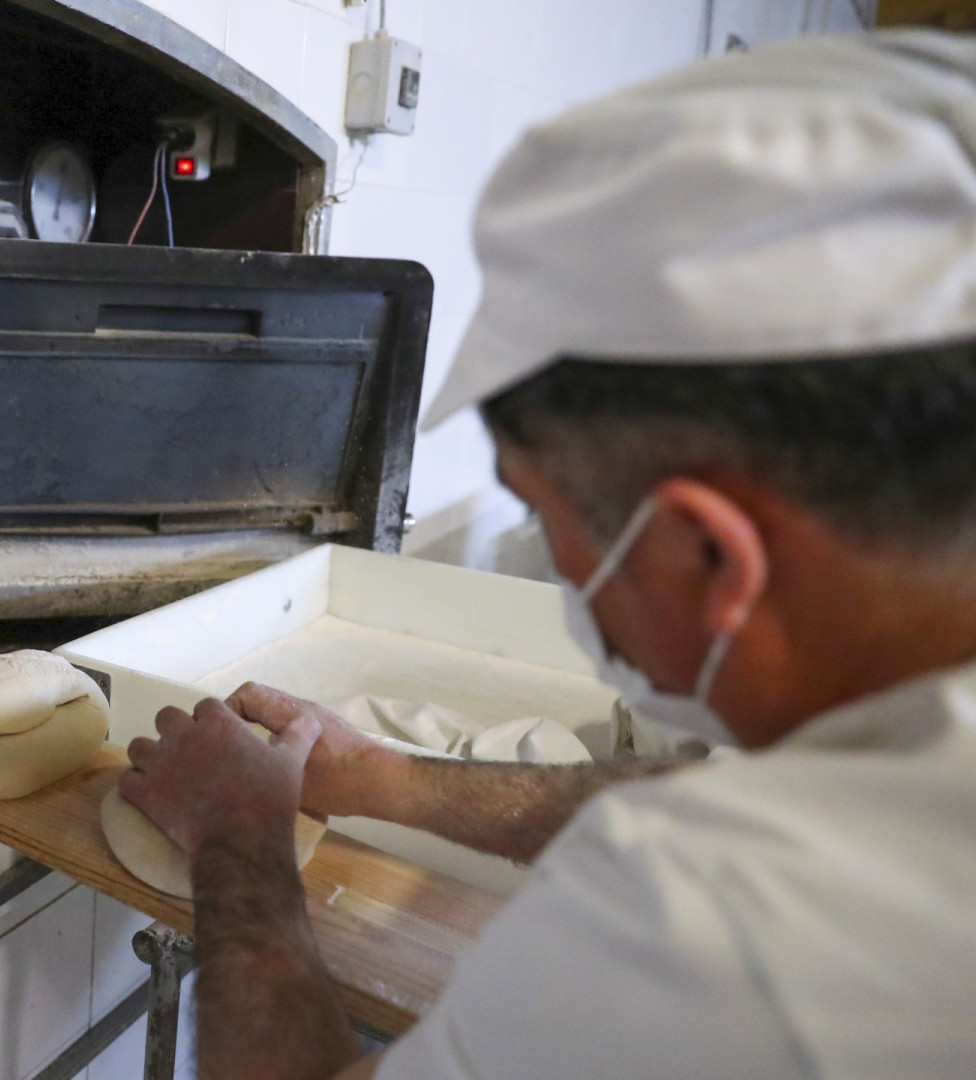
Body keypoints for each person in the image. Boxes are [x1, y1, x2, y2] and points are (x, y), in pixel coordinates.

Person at [120, 29, 976, 1080]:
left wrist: (236, 843)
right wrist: (383, 779)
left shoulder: (728, 932)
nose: (562, 571)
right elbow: (692, 788)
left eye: (547, 512)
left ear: (712, 555)